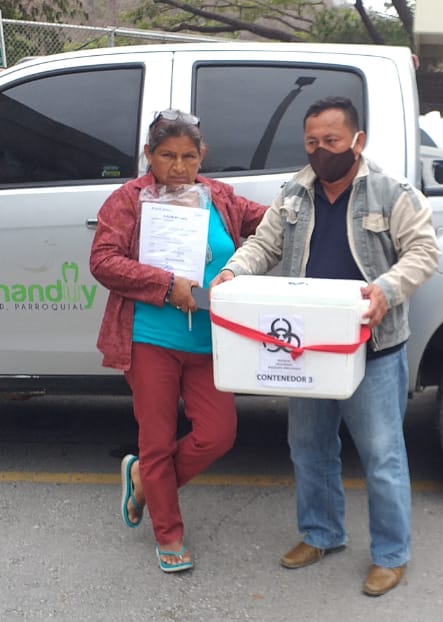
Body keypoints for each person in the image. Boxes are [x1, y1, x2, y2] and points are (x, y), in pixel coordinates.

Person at [211, 96, 440, 595]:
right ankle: (321, 534)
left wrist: (387, 290)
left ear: (358, 141)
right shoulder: (294, 193)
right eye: (312, 142)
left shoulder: (392, 193)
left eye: (331, 141)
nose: (321, 151)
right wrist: (232, 271)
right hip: (308, 348)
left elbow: (423, 252)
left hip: (372, 346)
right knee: (308, 447)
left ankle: (391, 555)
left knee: (381, 454)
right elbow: (264, 244)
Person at [90, 109, 268, 573]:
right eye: (167, 155)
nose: (178, 167)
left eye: (189, 156)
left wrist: (308, 205)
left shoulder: (219, 196)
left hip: (210, 342)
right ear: (148, 154)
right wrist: (168, 285)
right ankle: (168, 534)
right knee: (157, 441)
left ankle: (143, 482)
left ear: (202, 156)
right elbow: (103, 260)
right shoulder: (129, 200)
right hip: (150, 337)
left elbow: (269, 224)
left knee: (217, 435)